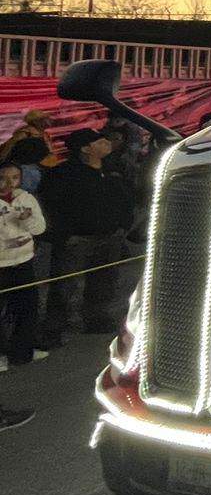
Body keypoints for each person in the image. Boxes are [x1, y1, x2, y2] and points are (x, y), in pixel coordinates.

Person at [38, 127, 134, 346]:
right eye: (100, 141)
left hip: (109, 236)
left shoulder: (111, 169)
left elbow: (125, 198)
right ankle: (55, 326)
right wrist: (62, 235)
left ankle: (96, 317)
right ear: (85, 148)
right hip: (76, 238)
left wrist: (122, 226)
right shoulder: (62, 174)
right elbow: (50, 207)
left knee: (104, 281)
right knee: (65, 283)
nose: (106, 144)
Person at [0, 162, 48, 370]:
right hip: (1, 263)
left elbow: (39, 229)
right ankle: (1, 354)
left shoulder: (26, 198)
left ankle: (22, 351)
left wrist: (27, 220)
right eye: (4, 177)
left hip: (24, 261)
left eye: (15, 177)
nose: (9, 183)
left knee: (27, 307)